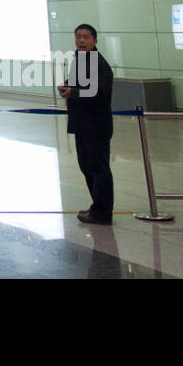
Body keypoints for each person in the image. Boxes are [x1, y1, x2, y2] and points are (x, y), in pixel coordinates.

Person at [58, 24, 115, 225]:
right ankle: (97, 206)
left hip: (96, 126)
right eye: (78, 37)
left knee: (98, 168)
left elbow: (99, 93)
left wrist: (73, 93)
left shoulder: (98, 64)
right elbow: (77, 85)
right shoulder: (80, 61)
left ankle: (103, 211)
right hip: (82, 124)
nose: (81, 41)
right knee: (87, 166)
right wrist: (67, 87)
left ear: (95, 40)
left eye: (86, 37)